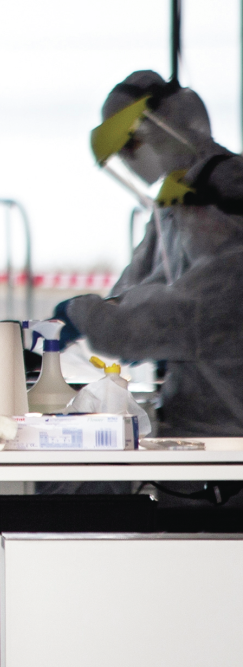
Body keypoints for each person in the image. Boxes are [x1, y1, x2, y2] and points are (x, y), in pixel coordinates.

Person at [51, 71, 243, 436]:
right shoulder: (177, 207)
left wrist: (85, 314)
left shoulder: (230, 258)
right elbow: (143, 286)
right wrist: (102, 312)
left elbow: (153, 323)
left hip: (227, 442)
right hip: (200, 426)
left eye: (131, 145)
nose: (188, 221)